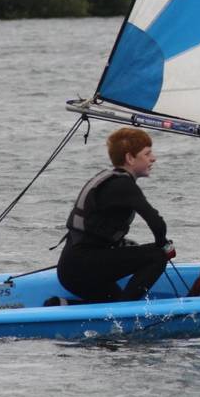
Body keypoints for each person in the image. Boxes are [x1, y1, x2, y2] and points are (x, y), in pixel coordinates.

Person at [55, 127, 172, 304]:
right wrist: (164, 246)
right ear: (130, 158)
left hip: (72, 267)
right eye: (147, 154)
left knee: (113, 302)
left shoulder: (109, 179)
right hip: (82, 267)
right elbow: (157, 224)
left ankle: (61, 304)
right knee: (157, 256)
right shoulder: (123, 185)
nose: (153, 158)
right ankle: (127, 313)